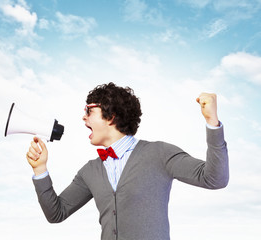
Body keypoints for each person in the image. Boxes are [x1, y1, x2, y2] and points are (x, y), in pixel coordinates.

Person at [26, 82, 229, 240]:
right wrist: (40, 170)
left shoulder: (160, 153)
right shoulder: (89, 171)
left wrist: (212, 122)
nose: (83, 117)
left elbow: (215, 179)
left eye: (89, 111)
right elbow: (56, 213)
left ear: (111, 117)